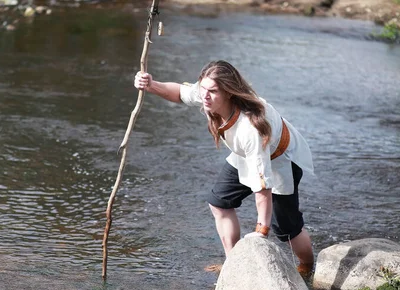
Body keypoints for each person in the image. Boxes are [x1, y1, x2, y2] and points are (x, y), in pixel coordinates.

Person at [133, 60, 314, 277]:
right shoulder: (206, 94)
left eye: (213, 91)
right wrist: (151, 85)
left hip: (281, 158)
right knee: (219, 203)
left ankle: (307, 268)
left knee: (286, 229)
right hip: (246, 154)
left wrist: (261, 231)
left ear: (228, 93)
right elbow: (180, 93)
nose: (205, 96)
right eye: (203, 89)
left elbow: (262, 185)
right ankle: (233, 265)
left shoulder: (250, 128)